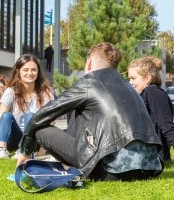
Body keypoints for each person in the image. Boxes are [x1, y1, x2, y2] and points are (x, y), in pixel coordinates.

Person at [18, 42, 163, 181]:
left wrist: (25, 150)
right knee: (82, 110)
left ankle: (27, 159)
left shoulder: (89, 82)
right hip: (148, 168)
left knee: (41, 130)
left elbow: (44, 114)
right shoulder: (129, 86)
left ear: (89, 64)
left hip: (111, 170)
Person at [0, 54, 55, 160]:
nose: (30, 73)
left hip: (34, 138)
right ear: (18, 71)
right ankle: (2, 151)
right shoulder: (11, 91)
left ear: (38, 72)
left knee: (30, 115)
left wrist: (42, 149)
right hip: (14, 137)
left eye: (33, 70)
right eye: (25, 70)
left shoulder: (46, 93)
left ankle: (24, 150)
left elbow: (50, 122)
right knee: (6, 115)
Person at [128, 56, 174, 161]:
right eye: (129, 78)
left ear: (148, 79)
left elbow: (166, 126)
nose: (130, 82)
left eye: (133, 78)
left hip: (153, 155)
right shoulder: (143, 94)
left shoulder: (153, 92)